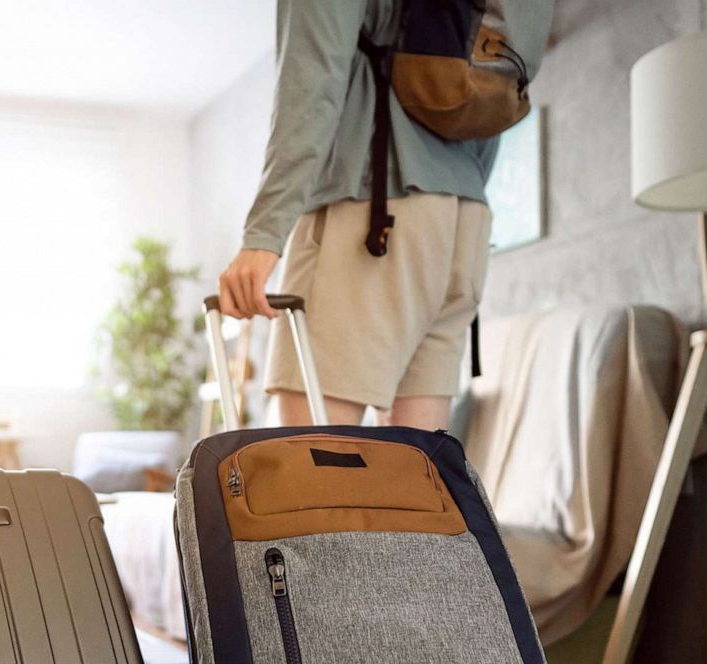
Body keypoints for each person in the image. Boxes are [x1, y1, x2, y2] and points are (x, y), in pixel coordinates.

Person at [217, 0, 552, 430]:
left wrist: (264, 234)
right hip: (462, 229)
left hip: (372, 218)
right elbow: (491, 98)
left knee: (311, 476)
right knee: (413, 477)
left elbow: (312, 83)